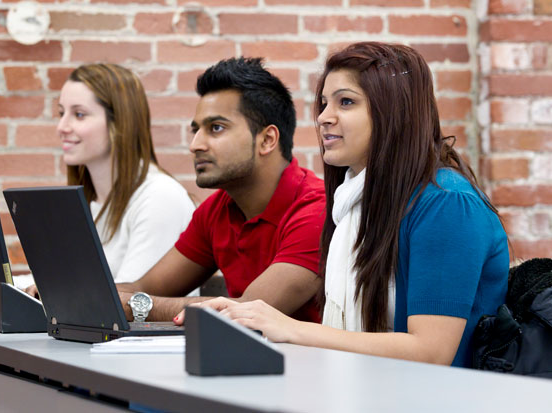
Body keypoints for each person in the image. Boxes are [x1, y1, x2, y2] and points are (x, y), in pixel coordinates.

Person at [180, 42, 509, 368]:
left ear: (394, 111)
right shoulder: (356, 199)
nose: (324, 118)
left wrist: (290, 328)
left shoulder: (446, 204)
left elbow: (431, 351)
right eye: (323, 104)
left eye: (346, 102)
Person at [117, 57, 326, 323]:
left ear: (267, 140)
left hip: (312, 364)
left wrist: (135, 306)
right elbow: (143, 288)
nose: (195, 144)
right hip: (246, 362)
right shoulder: (217, 210)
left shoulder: (316, 209)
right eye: (196, 130)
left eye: (216, 128)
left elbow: (247, 311)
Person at [16, 63, 195, 293]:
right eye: (62, 113)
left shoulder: (161, 198)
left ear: (119, 123)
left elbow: (127, 302)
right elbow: (59, 279)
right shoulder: (88, 202)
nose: (62, 127)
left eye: (79, 115)